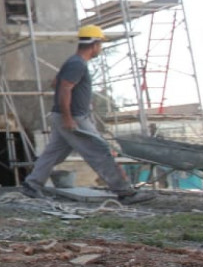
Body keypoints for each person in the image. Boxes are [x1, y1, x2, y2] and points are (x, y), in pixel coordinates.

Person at [20, 25, 154, 204]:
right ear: (94, 44)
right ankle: (124, 192)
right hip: (74, 117)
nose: (100, 48)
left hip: (65, 115)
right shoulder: (77, 64)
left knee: (53, 154)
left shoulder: (73, 62)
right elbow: (64, 88)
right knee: (99, 151)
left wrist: (79, 99)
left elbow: (56, 83)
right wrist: (68, 117)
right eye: (100, 44)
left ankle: (32, 184)